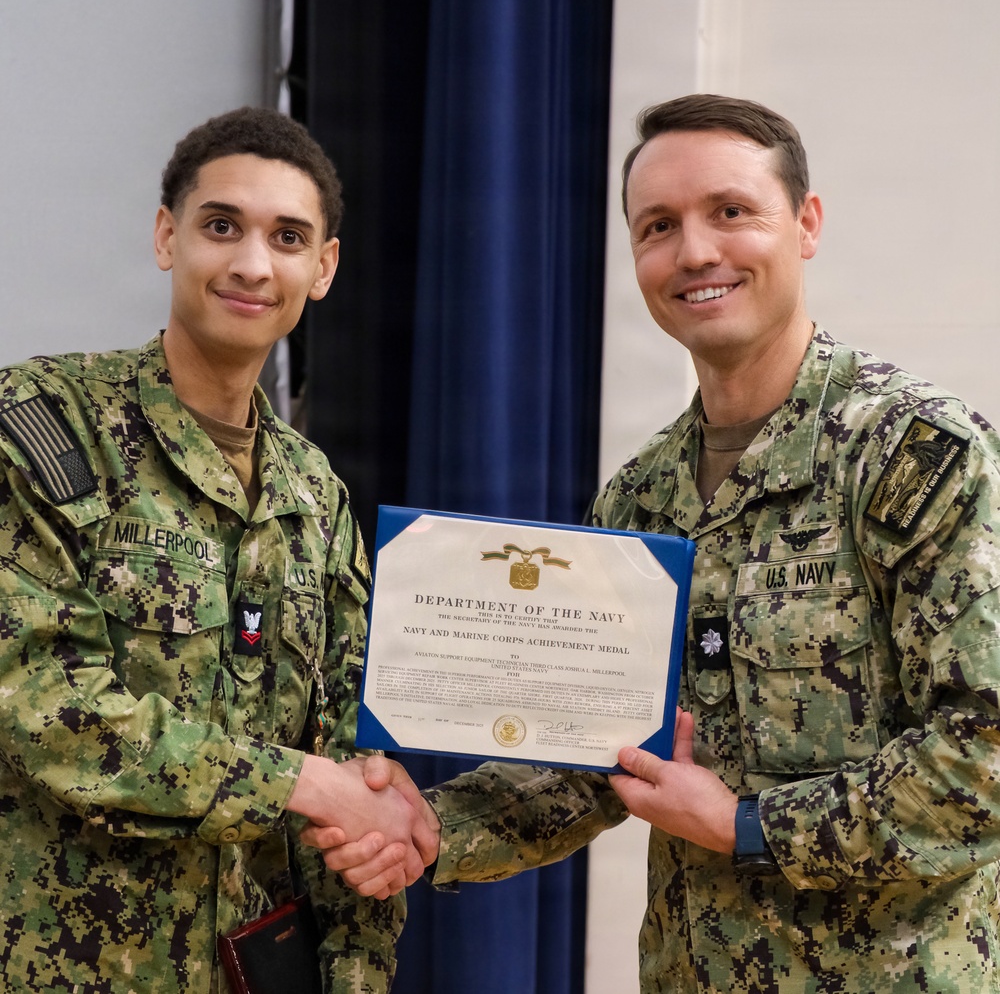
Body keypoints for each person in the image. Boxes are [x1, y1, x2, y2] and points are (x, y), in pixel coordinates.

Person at [314, 94, 1000, 992]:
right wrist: (433, 829)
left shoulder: (917, 458)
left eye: (730, 212)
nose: (696, 252)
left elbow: (984, 755)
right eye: (658, 226)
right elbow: (600, 757)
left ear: (807, 223)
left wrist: (748, 825)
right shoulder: (640, 500)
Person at [0, 107, 436, 993]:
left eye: (288, 237)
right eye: (221, 226)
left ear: (324, 269)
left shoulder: (314, 495)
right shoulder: (41, 427)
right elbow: (44, 710)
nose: (251, 263)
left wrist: (357, 963)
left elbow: (356, 747)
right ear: (168, 238)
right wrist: (300, 784)